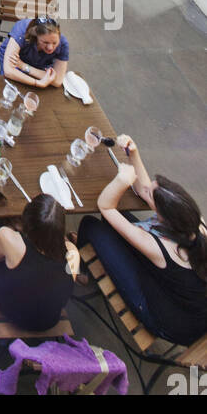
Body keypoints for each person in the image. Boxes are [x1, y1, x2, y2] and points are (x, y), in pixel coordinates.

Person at [78, 136, 207, 345]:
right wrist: (134, 154)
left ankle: (80, 271)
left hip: (167, 320)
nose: (147, 191)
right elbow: (145, 188)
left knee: (92, 226)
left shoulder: (160, 248)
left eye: (151, 196)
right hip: (180, 295)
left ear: (164, 218)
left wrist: (121, 181)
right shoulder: (195, 223)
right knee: (114, 223)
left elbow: (106, 206)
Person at [0, 195, 78, 333]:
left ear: (26, 221)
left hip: (9, 308)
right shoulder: (73, 253)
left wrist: (11, 230)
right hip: (47, 321)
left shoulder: (9, 238)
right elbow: (65, 288)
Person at [0, 17, 70, 88]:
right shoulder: (22, 29)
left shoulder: (63, 43)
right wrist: (37, 83)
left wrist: (24, 66)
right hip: (17, 59)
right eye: (45, 42)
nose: (50, 48)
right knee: (12, 86)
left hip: (25, 63)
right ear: (36, 36)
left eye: (55, 43)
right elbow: (9, 71)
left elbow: (57, 81)